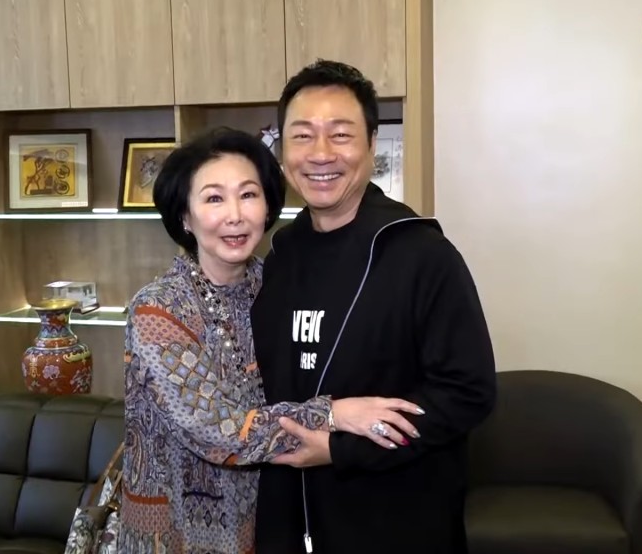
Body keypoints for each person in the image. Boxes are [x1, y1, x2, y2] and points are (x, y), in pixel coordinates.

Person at [118, 127, 424, 554]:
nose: (235, 215)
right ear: (185, 217)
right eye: (213, 199)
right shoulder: (159, 310)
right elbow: (215, 430)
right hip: (176, 529)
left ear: (267, 208)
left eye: (248, 195)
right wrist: (333, 414)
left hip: (268, 518)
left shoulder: (279, 283)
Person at [249, 60, 498, 554]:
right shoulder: (278, 255)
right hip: (289, 516)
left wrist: (341, 449)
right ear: (282, 151)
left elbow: (468, 392)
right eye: (302, 136)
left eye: (340, 135)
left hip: (396, 520)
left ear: (371, 144)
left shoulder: (421, 254)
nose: (321, 153)